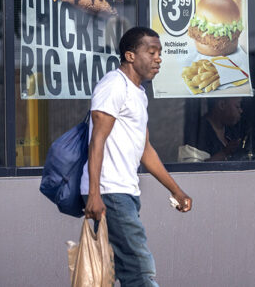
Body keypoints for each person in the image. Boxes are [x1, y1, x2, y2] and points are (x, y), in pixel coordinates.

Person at [82, 26, 192, 286]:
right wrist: (95, 194)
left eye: (160, 53)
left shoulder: (138, 94)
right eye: (151, 52)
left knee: (120, 271)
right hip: (111, 192)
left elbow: (145, 149)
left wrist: (176, 190)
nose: (158, 58)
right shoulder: (114, 86)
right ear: (130, 56)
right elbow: (96, 140)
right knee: (140, 269)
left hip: (124, 193)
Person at [179, 98, 245, 162]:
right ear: (222, 105)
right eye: (237, 106)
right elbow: (192, 169)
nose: (241, 111)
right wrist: (224, 153)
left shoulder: (231, 131)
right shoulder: (197, 132)